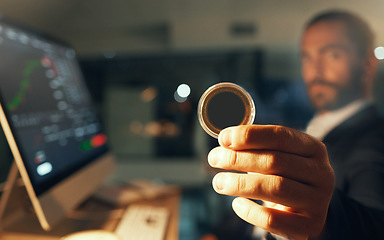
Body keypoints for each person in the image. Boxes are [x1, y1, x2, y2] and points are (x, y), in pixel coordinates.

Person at [207, 10, 384, 240]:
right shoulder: (316, 128)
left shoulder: (376, 139)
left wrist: (325, 221)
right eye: (306, 57)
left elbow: (375, 224)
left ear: (368, 63)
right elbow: (263, 202)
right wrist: (216, 234)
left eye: (332, 55)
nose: (315, 69)